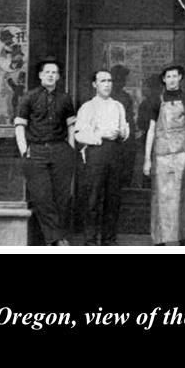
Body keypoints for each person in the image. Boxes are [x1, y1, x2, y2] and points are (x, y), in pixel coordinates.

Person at [13, 58, 76, 246]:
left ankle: (56, 238)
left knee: (61, 197)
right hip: (36, 152)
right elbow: (19, 126)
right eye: (47, 72)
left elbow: (71, 126)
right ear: (40, 75)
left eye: (54, 72)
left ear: (58, 76)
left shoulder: (65, 98)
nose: (51, 75)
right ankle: (55, 238)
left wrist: (71, 149)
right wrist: (25, 151)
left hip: (60, 150)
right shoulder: (29, 97)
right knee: (42, 197)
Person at [142, 64, 185, 246]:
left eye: (175, 76)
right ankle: (160, 241)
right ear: (164, 79)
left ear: (180, 78)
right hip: (161, 157)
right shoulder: (155, 101)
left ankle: (184, 240)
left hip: (184, 157)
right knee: (161, 198)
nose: (172, 80)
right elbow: (151, 131)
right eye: (168, 76)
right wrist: (147, 160)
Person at [74, 69, 130, 246]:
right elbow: (79, 134)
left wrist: (122, 132)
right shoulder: (88, 107)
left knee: (113, 198)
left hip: (115, 152)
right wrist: (101, 135)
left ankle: (109, 240)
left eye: (109, 81)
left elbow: (125, 130)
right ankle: (90, 241)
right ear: (94, 85)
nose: (107, 85)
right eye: (103, 81)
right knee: (93, 197)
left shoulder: (118, 106)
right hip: (96, 153)